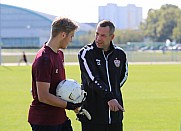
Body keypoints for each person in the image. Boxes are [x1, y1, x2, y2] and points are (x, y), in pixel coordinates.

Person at [28, 17, 81, 131]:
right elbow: (43, 96)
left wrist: (74, 99)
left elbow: (58, 88)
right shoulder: (44, 59)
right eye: (71, 36)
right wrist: (69, 105)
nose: (71, 40)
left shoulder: (59, 54)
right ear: (63, 35)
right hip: (44, 121)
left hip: (60, 118)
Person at [78, 20, 128, 131]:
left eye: (103, 35)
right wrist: (109, 96)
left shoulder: (120, 54)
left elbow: (123, 77)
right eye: (97, 34)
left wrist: (112, 92)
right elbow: (92, 79)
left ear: (112, 37)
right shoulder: (86, 53)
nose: (98, 38)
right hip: (92, 115)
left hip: (115, 115)